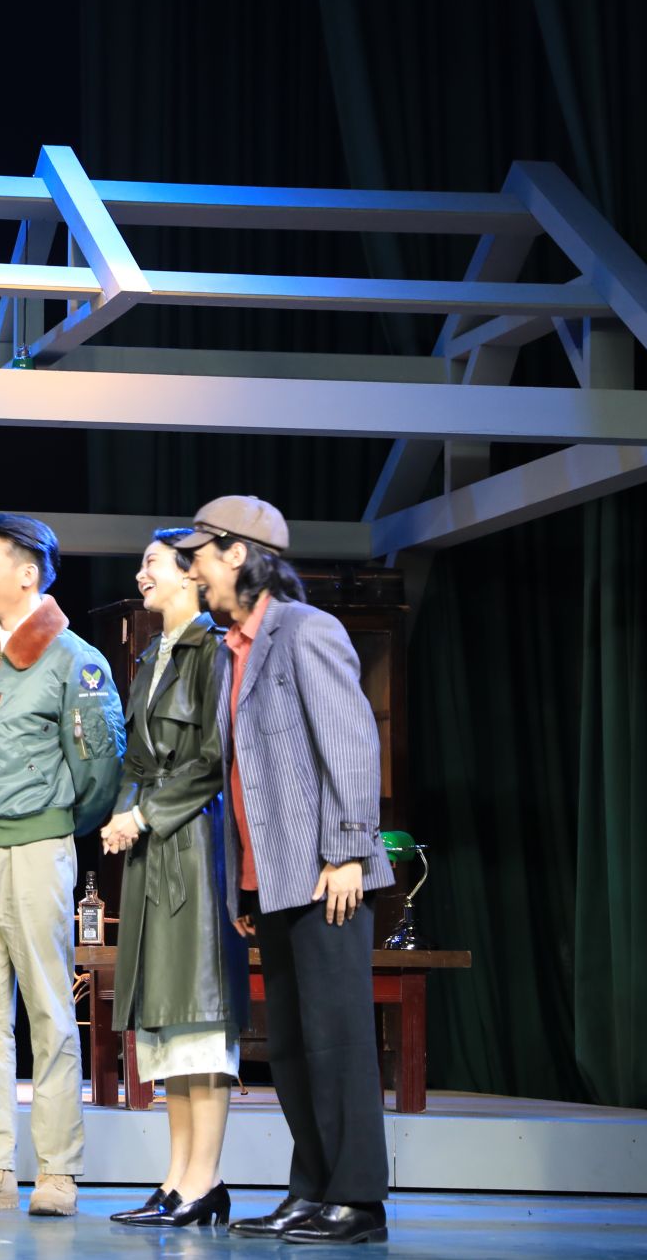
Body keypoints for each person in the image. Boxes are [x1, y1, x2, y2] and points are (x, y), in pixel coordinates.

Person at [172, 496, 393, 1246]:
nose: (193, 569)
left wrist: (348, 851)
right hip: (272, 877)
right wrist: (244, 880)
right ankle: (312, 1187)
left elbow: (352, 743)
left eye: (200, 554)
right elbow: (243, 773)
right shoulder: (231, 647)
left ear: (237, 554)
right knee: (294, 1045)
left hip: (328, 871)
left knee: (337, 1038)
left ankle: (357, 1199)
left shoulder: (305, 629)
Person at [0, 513, 123, 1220]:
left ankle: (58, 1170)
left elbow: (100, 769)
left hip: (36, 848)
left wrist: (50, 824)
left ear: (27, 573)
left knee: (49, 1008)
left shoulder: (76, 659)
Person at [101, 529, 247, 1229]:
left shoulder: (213, 652)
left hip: (194, 845)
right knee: (165, 1025)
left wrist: (146, 814)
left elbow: (213, 757)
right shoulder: (150, 657)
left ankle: (204, 1180)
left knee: (200, 1017)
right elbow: (137, 759)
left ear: (191, 575)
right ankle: (177, 1180)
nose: (142, 574)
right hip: (151, 849)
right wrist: (122, 812)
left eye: (153, 563)